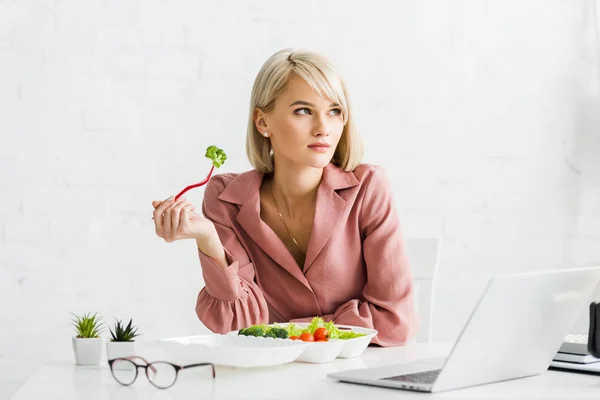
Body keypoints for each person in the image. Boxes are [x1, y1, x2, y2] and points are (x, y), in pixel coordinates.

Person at [152, 49, 418, 346]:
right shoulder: (226, 198)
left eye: (334, 111)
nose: (323, 128)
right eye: (303, 110)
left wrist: (283, 331)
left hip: (355, 376)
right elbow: (240, 325)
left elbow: (394, 321)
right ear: (262, 122)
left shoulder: (368, 188)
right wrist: (209, 242)